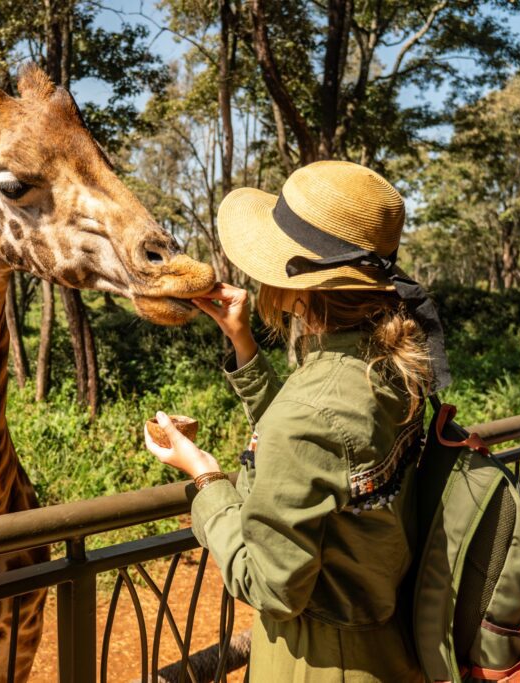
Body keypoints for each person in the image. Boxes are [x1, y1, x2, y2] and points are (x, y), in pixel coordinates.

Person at [145, 160, 452, 682]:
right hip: (390, 643)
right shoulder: (393, 365)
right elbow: (318, 457)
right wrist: (243, 343)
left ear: (303, 286)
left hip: (318, 661)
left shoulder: (313, 406)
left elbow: (267, 584)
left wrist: (206, 478)